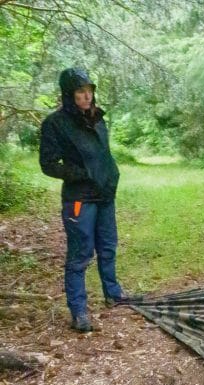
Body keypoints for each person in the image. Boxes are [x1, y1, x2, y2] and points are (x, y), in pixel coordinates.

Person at [39, 68, 134, 333]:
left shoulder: (96, 117)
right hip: (79, 198)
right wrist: (79, 175)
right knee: (80, 254)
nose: (87, 96)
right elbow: (47, 164)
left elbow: (103, 154)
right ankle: (79, 311)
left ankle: (113, 293)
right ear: (69, 95)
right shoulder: (55, 123)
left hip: (104, 194)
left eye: (89, 91)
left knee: (108, 247)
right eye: (81, 92)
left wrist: (111, 175)